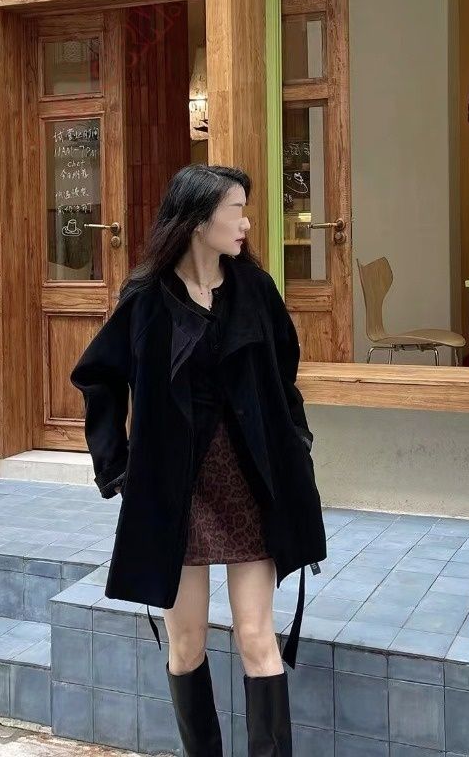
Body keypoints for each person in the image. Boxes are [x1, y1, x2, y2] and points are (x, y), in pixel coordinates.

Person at [70, 163, 327, 757]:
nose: (246, 222)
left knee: (257, 637)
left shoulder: (255, 290)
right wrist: (117, 466)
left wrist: (295, 440)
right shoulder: (147, 298)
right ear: (198, 220)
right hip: (175, 493)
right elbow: (97, 376)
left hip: (250, 484)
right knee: (185, 646)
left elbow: (285, 373)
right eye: (237, 209)